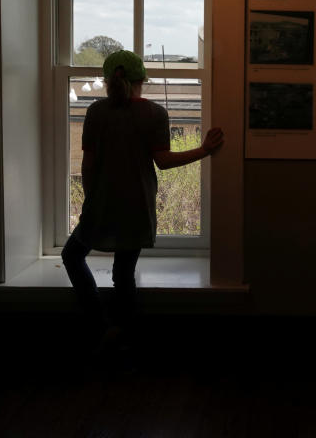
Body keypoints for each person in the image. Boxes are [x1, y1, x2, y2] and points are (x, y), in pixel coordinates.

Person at [62, 50, 223, 352]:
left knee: (72, 256)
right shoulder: (155, 114)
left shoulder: (96, 112)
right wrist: (203, 151)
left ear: (108, 79)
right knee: (123, 274)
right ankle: (122, 333)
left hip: (101, 203)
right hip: (136, 205)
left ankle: (98, 322)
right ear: (142, 80)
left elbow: (88, 165)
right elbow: (163, 161)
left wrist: (89, 200)